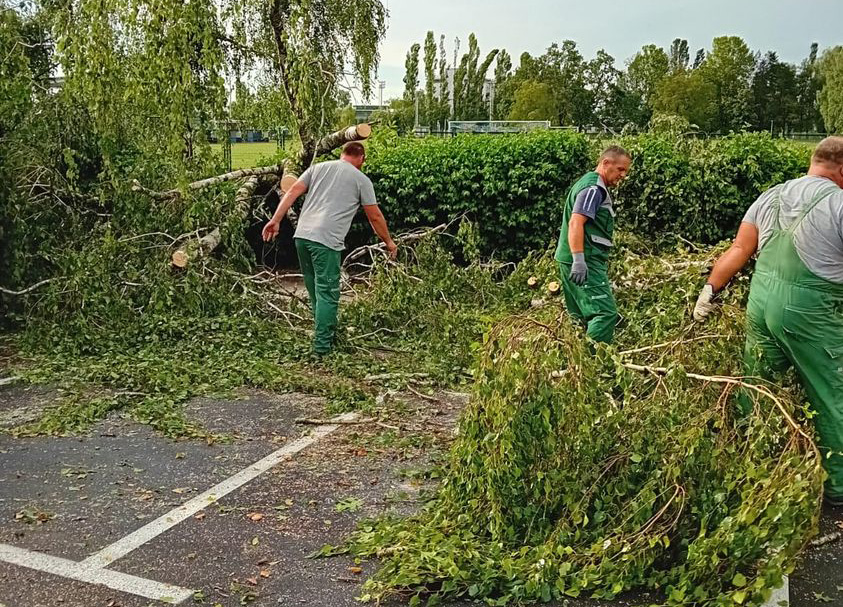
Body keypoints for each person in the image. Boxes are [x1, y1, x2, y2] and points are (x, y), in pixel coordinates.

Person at [694, 136, 843, 507]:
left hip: (760, 304)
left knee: (758, 388)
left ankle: (751, 464)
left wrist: (709, 290)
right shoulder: (839, 204)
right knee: (832, 393)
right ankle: (838, 487)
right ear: (841, 170)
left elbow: (740, 250)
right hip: (807, 312)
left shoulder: (771, 196)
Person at [262, 141, 397, 356]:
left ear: (343, 154)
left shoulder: (318, 168)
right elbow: (374, 216)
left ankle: (323, 335)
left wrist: (276, 220)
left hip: (303, 237)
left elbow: (292, 191)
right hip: (326, 241)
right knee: (328, 293)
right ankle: (322, 348)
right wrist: (389, 242)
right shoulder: (361, 180)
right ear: (361, 158)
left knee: (315, 291)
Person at [554, 146, 632, 344]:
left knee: (579, 317)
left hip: (572, 258)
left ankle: (571, 365)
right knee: (605, 314)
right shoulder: (593, 189)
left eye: (626, 171)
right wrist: (579, 260)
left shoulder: (589, 184)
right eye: (620, 169)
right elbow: (576, 222)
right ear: (606, 163)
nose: (623, 175)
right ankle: (593, 365)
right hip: (585, 259)